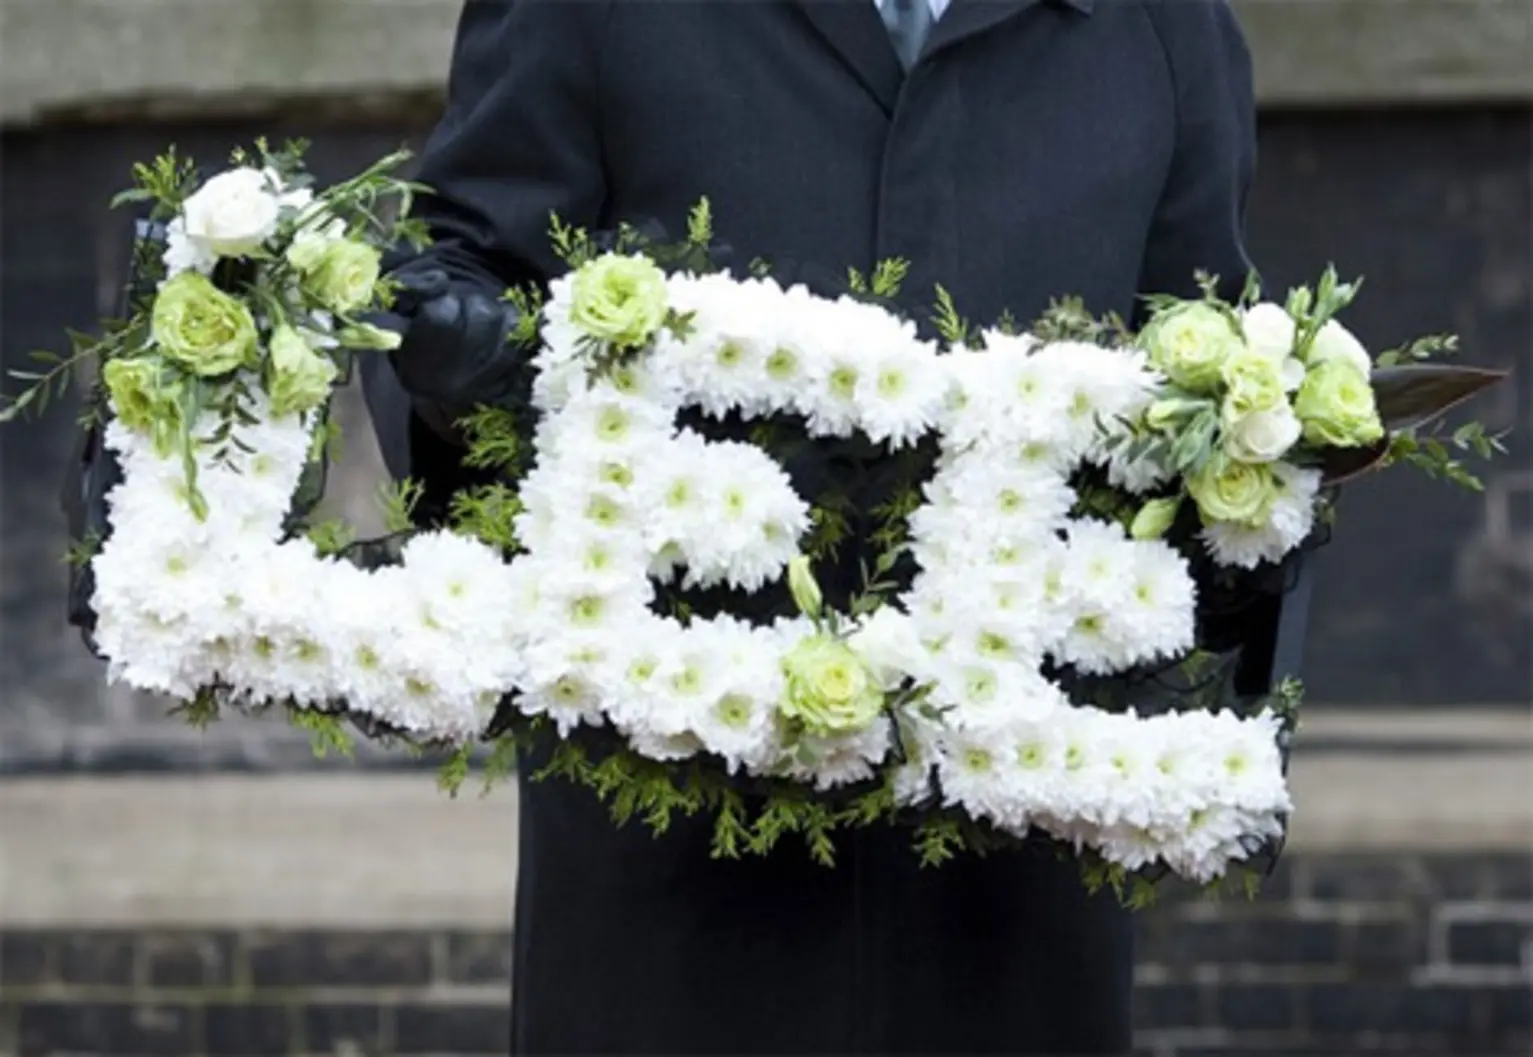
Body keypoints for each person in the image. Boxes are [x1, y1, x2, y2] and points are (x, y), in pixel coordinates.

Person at [363, 1, 1308, 1052]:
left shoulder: (1162, 26)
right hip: (674, 836)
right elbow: (463, 269)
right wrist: (458, 352)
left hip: (1011, 874)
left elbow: (1203, 366)